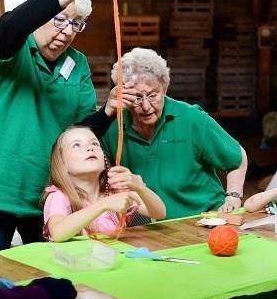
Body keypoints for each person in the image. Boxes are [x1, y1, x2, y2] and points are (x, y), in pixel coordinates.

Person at [0, 0, 136, 257]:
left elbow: (78, 134)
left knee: (52, 280)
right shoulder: (7, 46)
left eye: (77, 23)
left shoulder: (77, 64)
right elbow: (14, 23)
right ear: (40, 12)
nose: (67, 31)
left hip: (45, 196)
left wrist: (109, 111)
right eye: (60, 19)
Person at [101, 48, 248, 220]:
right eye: (137, 98)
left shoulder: (191, 119)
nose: (146, 106)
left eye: (152, 95)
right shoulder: (113, 128)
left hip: (203, 219)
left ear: (164, 88)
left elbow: (237, 157)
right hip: (149, 226)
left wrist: (233, 196)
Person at [43, 127, 165, 242]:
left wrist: (141, 188)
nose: (90, 148)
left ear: (104, 159)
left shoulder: (115, 190)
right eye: (76, 145)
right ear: (62, 164)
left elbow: (159, 213)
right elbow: (57, 233)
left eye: (95, 143)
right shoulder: (60, 197)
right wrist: (104, 204)